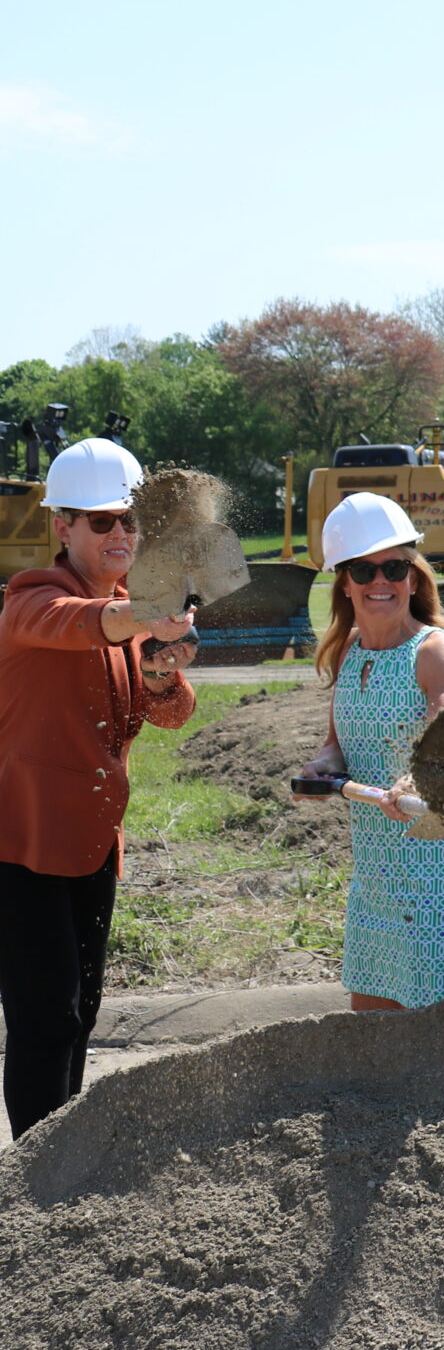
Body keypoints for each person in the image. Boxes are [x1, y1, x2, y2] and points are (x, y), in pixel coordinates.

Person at [0, 437, 196, 1136]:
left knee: (80, 1008)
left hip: (90, 841)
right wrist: (143, 617)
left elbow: (168, 711)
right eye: (102, 520)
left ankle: (63, 1153)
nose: (122, 533)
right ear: (64, 526)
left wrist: (164, 668)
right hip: (22, 842)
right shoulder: (32, 598)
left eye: (130, 520)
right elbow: (81, 625)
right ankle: (31, 1173)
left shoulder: (128, 607)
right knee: (44, 1013)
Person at [293, 493, 444, 1009]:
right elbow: (337, 747)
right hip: (378, 867)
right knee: (373, 1025)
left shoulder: (434, 652)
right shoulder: (347, 650)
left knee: (439, 1027)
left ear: (413, 575)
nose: (379, 581)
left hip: (440, 868)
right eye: (364, 570)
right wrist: (322, 767)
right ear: (344, 581)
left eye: (394, 567)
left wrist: (416, 778)